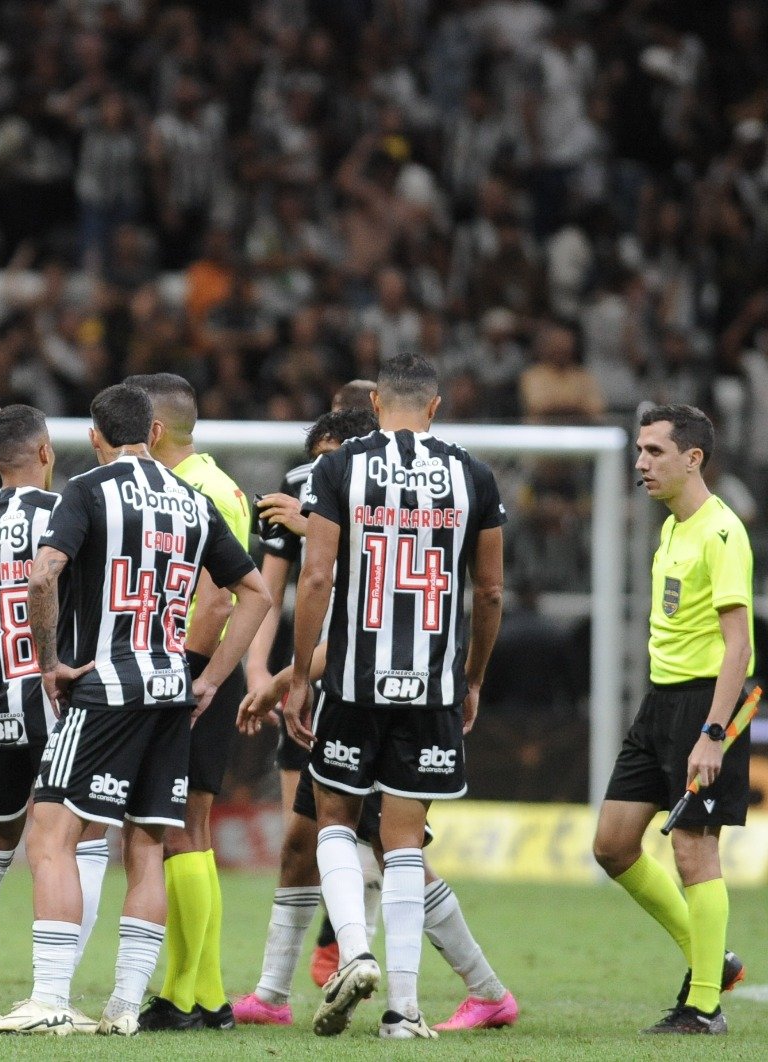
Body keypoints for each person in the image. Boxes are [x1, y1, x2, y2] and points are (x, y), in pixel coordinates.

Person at [0, 384, 270, 1036]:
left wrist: (50, 659)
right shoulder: (192, 500)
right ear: (154, 432)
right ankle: (123, 1009)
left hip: (107, 687)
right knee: (147, 844)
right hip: (172, 691)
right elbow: (252, 592)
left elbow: (40, 574)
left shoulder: (86, 490)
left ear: (95, 436)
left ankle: (51, 1000)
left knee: (51, 836)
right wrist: (213, 679)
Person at [286, 354, 506, 1039]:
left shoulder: (340, 466)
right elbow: (491, 591)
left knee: (335, 820)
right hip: (433, 685)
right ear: (434, 408)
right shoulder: (473, 473)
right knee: (404, 841)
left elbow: (316, 578)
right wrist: (472, 678)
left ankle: (354, 951)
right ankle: (404, 1011)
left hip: (353, 679)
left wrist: (299, 675)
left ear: (377, 404)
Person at [234, 659, 518, 1032]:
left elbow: (343, 637)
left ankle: (479, 991)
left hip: (363, 706)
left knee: (392, 850)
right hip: (386, 702)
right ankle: (272, 995)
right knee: (301, 847)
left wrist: (284, 681)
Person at [0, 405, 109, 1030]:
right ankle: (57, 993)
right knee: (78, 842)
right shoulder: (63, 513)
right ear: (44, 452)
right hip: (57, 697)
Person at [593, 404, 753, 1035]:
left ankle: (705, 1006)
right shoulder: (670, 530)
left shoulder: (722, 533)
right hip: (660, 703)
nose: (640, 463)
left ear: (694, 459)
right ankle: (713, 959)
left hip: (705, 705)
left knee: (693, 851)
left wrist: (714, 732)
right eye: (639, 450)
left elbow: (737, 643)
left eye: (654, 452)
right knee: (612, 844)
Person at [125, 373, 251, 1031]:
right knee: (190, 830)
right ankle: (205, 994)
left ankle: (186, 994)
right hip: (212, 673)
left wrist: (190, 678)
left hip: (191, 672)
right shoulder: (223, 484)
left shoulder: (187, 491)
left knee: (175, 828)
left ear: (151, 432)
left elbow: (215, 599)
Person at [246, 403, 382, 989]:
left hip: (369, 684)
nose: (318, 476)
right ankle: (280, 986)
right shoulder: (299, 488)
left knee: (384, 842)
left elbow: (372, 600)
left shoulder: (387, 501)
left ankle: (351, 947)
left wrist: (287, 679)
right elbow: (268, 593)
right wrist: (260, 671)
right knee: (302, 836)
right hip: (307, 683)